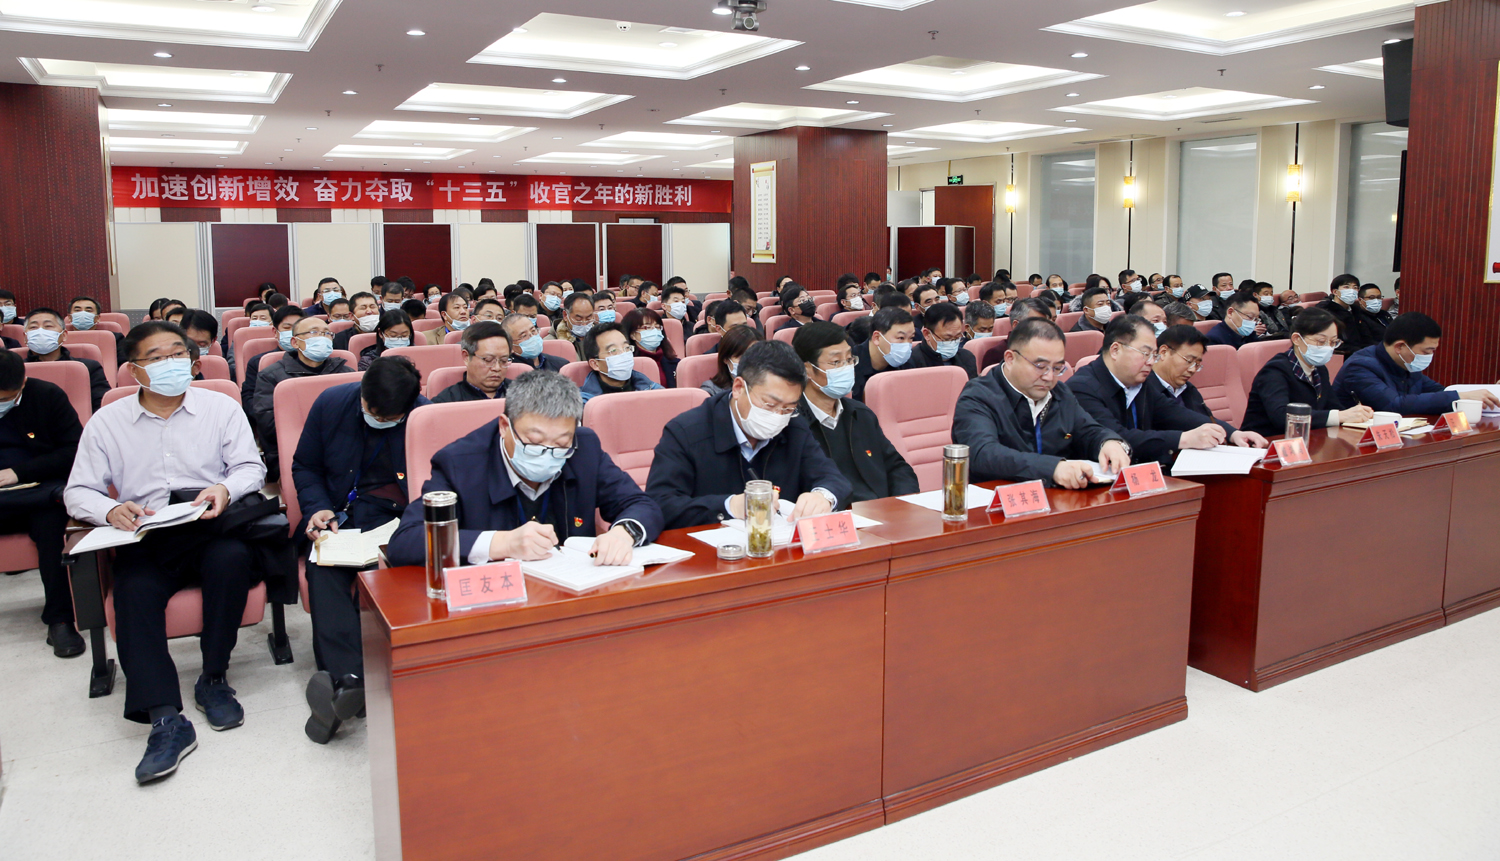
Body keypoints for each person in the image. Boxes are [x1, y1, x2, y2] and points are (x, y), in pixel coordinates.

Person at [64, 321, 267, 783]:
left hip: (208, 525)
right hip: (146, 535)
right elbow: (78, 491)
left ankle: (213, 677)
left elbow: (250, 467)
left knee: (232, 560)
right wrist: (110, 509)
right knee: (133, 591)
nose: (172, 364)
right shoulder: (108, 422)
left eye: (178, 354)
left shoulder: (220, 407)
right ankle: (164, 718)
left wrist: (224, 488)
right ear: (134, 370)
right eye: (156, 358)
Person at [386, 370, 664, 573]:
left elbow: (641, 504)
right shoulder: (459, 463)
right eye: (534, 442)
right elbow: (407, 541)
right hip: (495, 601)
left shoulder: (584, 448)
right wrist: (502, 543)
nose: (548, 454)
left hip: (572, 592)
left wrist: (623, 534)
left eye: (561, 444)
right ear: (504, 426)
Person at [293, 357, 426, 744]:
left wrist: (412, 523)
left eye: (389, 417)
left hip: (400, 518)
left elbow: (435, 479)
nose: (378, 419)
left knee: (405, 569)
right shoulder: (332, 403)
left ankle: (361, 681)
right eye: (371, 411)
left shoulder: (423, 416)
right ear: (362, 392)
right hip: (341, 515)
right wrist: (317, 507)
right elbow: (305, 466)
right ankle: (349, 679)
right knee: (324, 569)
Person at [646, 340, 851, 530]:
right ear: (738, 388)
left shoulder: (794, 426)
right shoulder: (686, 432)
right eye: (769, 404)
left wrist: (823, 497)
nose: (778, 415)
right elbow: (661, 504)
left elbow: (832, 477)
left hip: (780, 546)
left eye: (789, 407)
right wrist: (729, 506)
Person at [951, 317, 1130, 487]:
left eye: (1057, 368)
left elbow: (1087, 430)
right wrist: (1052, 468)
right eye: (1040, 367)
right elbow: (983, 454)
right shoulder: (978, 396)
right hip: (997, 499)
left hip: (1057, 498)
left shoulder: (1059, 392)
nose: (1049, 377)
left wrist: (1108, 442)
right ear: (1010, 359)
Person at [1068, 316, 1265, 469]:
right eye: (1145, 354)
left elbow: (1176, 414)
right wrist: (1184, 439)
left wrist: (1233, 433)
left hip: (1142, 471)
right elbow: (1116, 437)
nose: (1151, 362)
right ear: (1115, 350)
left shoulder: (1140, 382)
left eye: (1153, 355)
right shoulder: (1082, 387)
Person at [0, 349, 84, 656]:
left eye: (5, 398)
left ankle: (60, 619)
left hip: (38, 492)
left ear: (23, 383)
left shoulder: (47, 395)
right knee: (52, 500)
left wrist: (18, 473)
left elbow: (74, 450)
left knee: (52, 523)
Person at [792, 323, 919, 503]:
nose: (846, 368)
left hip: (881, 511)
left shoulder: (860, 413)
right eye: (836, 362)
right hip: (835, 514)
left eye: (849, 359)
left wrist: (901, 504)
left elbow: (897, 467)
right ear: (807, 370)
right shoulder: (793, 424)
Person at [1332, 312, 1500, 415]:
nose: (1430, 356)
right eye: (1427, 351)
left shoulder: (1406, 363)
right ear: (1400, 347)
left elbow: (1439, 392)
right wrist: (1459, 397)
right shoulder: (1361, 366)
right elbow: (1393, 405)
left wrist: (1491, 392)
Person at [1241, 308, 1374, 437]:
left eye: (1333, 342)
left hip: (1307, 438)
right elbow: (1282, 417)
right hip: (1264, 442)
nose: (1328, 348)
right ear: (1297, 339)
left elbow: (1333, 406)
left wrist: (1355, 414)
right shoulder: (1275, 371)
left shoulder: (1319, 369)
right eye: (1321, 341)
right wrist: (1338, 416)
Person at [252, 314, 354, 470]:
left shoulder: (347, 373)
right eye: (314, 332)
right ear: (295, 342)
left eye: (327, 333)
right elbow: (269, 425)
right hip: (295, 451)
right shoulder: (270, 376)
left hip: (344, 448)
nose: (322, 337)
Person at [22, 307, 108, 412]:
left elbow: (103, 406)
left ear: (64, 335)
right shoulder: (14, 370)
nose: (40, 331)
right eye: (33, 327)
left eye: (48, 326)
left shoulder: (89, 367)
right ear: (25, 337)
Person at [580, 322, 664, 402]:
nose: (623, 354)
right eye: (613, 350)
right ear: (595, 364)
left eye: (626, 348)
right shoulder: (583, 403)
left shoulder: (653, 391)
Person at [1152, 324, 1222, 419]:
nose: (1192, 370)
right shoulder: (1144, 390)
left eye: (1197, 364)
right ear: (1164, 352)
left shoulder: (1189, 390)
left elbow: (1206, 420)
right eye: (1189, 361)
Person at [433, 321, 510, 403]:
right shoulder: (445, 402)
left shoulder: (519, 392)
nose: (497, 368)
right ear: (466, 357)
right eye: (488, 360)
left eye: (503, 360)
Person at [241, 304, 303, 407]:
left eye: (297, 328)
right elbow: (250, 402)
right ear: (275, 332)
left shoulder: (314, 360)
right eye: (287, 328)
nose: (292, 333)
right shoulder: (258, 362)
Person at [915, 301, 978, 379]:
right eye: (947, 339)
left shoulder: (967, 357)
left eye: (957, 337)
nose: (952, 343)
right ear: (927, 334)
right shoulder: (912, 362)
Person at [623, 307, 678, 388]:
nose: (655, 331)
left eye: (657, 327)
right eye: (647, 327)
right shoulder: (626, 365)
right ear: (633, 334)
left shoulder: (675, 363)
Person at [702, 325, 762, 397]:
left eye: (755, 357)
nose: (749, 363)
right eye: (742, 358)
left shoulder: (769, 385)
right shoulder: (712, 390)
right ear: (726, 359)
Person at [1315, 274, 1368, 355]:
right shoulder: (1326, 311)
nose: (1352, 291)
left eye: (1355, 288)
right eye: (1346, 287)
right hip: (1344, 353)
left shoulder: (1356, 310)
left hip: (1360, 351)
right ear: (1335, 292)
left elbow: (1365, 335)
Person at [502, 312, 566, 373]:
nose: (532, 337)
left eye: (533, 331)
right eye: (524, 336)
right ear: (510, 346)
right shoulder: (508, 371)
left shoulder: (561, 365)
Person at [551, 292, 595, 362]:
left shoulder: (600, 337)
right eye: (578, 319)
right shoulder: (551, 343)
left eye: (588, 318)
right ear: (565, 315)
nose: (584, 324)